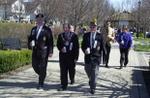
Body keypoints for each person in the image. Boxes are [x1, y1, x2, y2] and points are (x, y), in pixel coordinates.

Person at [28, 13, 53, 90]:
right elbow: (30, 39)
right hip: (35, 51)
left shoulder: (47, 30)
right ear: (36, 20)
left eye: (41, 19)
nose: (39, 21)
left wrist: (50, 52)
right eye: (38, 19)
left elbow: (50, 41)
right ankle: (43, 74)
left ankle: (40, 83)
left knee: (42, 67)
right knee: (34, 65)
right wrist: (30, 44)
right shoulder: (33, 29)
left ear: (43, 20)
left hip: (43, 52)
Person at [81, 21, 104, 94]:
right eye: (91, 27)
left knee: (94, 72)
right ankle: (91, 80)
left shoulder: (100, 36)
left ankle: (93, 88)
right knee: (87, 69)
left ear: (96, 27)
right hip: (88, 56)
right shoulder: (86, 35)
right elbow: (82, 45)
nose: (92, 28)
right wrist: (85, 50)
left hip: (96, 57)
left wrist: (102, 57)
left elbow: (102, 47)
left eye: (94, 27)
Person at [57, 23, 79, 91]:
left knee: (71, 70)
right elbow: (58, 45)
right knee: (63, 71)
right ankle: (63, 85)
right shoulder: (60, 36)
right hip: (63, 57)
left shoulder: (74, 36)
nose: (65, 29)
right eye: (64, 28)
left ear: (69, 28)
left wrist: (76, 57)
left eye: (66, 28)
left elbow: (76, 47)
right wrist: (61, 48)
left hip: (71, 57)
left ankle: (72, 78)